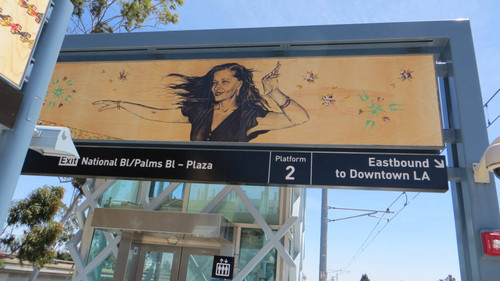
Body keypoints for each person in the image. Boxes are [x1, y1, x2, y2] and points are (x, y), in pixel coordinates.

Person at [93, 62, 309, 142]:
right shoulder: (200, 111)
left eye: (225, 81)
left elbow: (300, 118)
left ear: (240, 84)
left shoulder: (250, 116)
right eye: (215, 82)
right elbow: (155, 114)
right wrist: (120, 104)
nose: (217, 86)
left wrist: (275, 93)